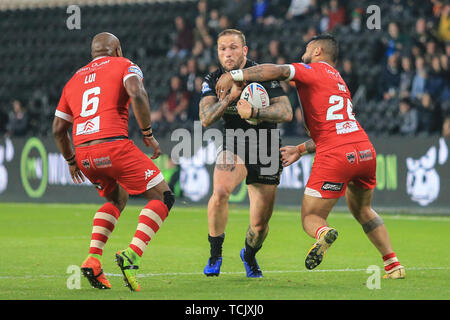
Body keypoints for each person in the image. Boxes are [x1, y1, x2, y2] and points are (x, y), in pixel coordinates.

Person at [216, 34, 405, 279]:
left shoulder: (312, 69)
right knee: (364, 210)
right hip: (364, 149)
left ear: (317, 51)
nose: (303, 53)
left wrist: (235, 75)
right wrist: (300, 150)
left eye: (307, 49)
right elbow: (335, 127)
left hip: (336, 155)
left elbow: (278, 70)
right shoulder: (339, 81)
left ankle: (323, 232)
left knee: (311, 217)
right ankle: (393, 264)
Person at [52, 32, 175, 291]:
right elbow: (136, 93)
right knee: (163, 197)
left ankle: (93, 259)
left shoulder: (73, 79)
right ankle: (131, 255)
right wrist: (148, 134)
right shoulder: (125, 65)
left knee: (117, 199)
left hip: (85, 155)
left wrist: (71, 160)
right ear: (117, 49)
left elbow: (58, 129)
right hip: (114, 146)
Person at [199, 29, 292, 278]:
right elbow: (206, 118)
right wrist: (230, 97)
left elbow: (286, 112)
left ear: (244, 50)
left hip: (267, 147)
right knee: (219, 193)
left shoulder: (262, 73)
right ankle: (215, 255)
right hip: (235, 143)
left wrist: (255, 112)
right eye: (222, 49)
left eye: (233, 47)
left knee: (259, 226)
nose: (227, 53)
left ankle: (248, 256)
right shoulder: (213, 79)